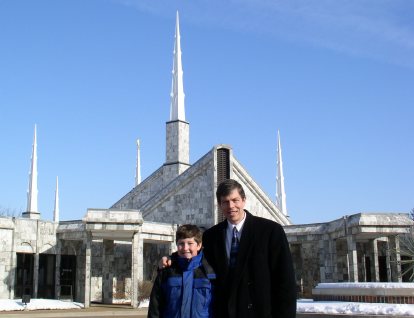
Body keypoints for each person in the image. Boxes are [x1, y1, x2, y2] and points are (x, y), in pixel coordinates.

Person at [161, 179, 296, 317]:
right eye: (225, 202)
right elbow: (194, 257)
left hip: (259, 312)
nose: (231, 206)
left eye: (235, 200)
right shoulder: (211, 236)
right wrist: (172, 258)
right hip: (225, 312)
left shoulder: (270, 231)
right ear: (219, 205)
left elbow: (285, 282)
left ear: (244, 200)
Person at [148, 224, 216, 318]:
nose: (185, 248)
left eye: (190, 243)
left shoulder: (210, 271)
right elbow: (155, 306)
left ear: (199, 245)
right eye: (181, 243)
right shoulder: (166, 271)